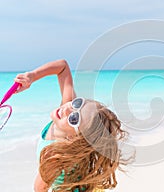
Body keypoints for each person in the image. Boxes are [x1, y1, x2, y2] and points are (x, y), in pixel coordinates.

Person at [14, 59, 129, 192]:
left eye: (74, 119)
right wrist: (32, 76)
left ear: (73, 139)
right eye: (78, 104)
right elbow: (62, 67)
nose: (68, 109)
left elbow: (39, 189)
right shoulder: (65, 110)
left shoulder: (55, 157)